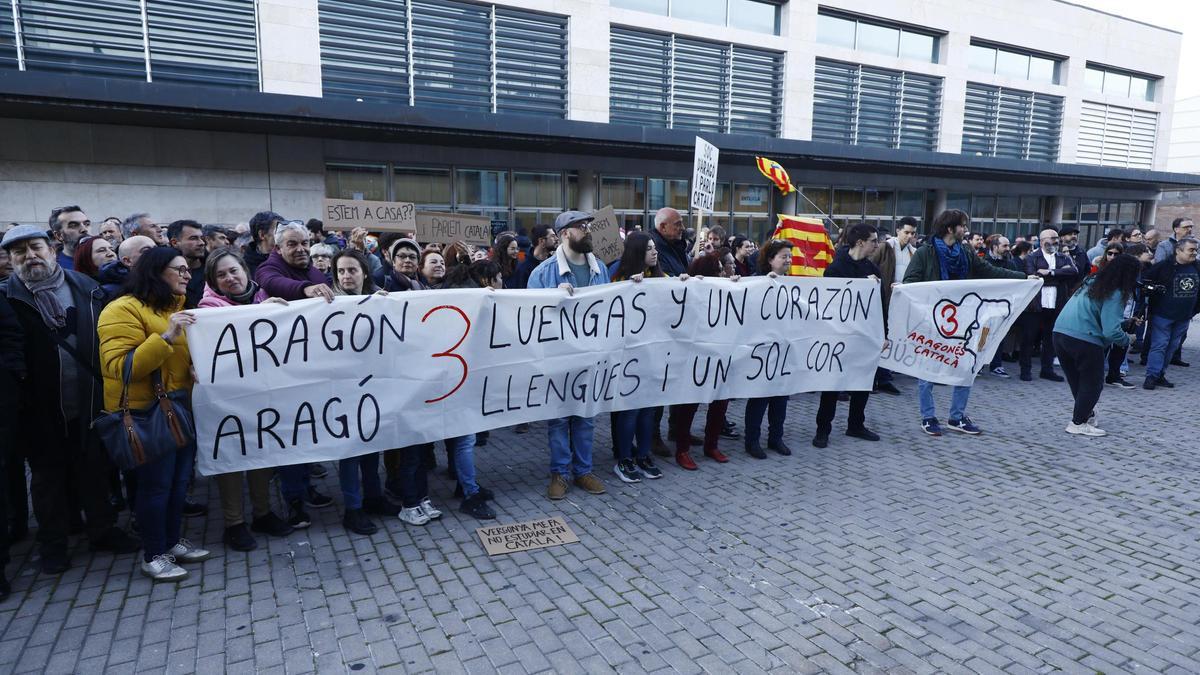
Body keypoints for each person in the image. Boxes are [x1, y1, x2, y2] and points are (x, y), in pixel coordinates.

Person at [1, 225, 140, 574]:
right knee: (48, 480)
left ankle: (102, 531)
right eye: (20, 252)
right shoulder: (6, 298)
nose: (30, 256)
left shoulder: (86, 287)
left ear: (51, 248)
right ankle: (54, 546)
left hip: (90, 398)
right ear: (11, 259)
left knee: (94, 469)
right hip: (38, 408)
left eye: (35, 248)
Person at [97, 246, 210, 581]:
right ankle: (153, 554)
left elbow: (177, 361)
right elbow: (121, 367)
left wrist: (191, 368)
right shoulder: (122, 310)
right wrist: (166, 336)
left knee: (177, 485)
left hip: (177, 409)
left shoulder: (175, 308)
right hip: (147, 414)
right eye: (180, 269)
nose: (188, 275)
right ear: (156, 272)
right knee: (156, 487)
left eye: (189, 270)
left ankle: (172, 542)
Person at [196, 248, 295, 550]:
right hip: (228, 398)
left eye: (233, 271)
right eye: (221, 275)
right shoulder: (208, 308)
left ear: (245, 270)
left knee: (262, 454)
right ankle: (234, 523)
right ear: (213, 281)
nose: (230, 278)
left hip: (263, 393)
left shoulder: (265, 298)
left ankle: (263, 513)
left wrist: (281, 312)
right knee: (232, 459)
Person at [902, 209, 1030, 436]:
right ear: (951, 228)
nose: (966, 230)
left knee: (966, 366)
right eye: (962, 226)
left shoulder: (966, 252)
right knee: (928, 369)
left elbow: (989, 271)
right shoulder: (925, 253)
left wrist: (1024, 279)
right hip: (932, 321)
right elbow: (910, 282)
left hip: (964, 320)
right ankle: (928, 416)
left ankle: (957, 416)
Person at [528, 210, 609, 500]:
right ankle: (560, 472)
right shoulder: (543, 273)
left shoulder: (600, 268)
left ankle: (583, 471)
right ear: (564, 234)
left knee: (585, 416)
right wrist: (552, 298)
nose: (588, 231)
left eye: (588, 226)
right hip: (558, 359)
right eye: (581, 227)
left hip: (589, 357)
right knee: (560, 418)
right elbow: (531, 316)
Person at [329, 249, 405, 534]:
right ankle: (353, 508)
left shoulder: (380, 300)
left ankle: (373, 497)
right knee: (350, 451)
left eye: (352, 270)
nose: (347, 276)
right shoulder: (326, 305)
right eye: (341, 272)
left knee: (372, 445)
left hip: (374, 385)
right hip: (344, 389)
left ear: (364, 272)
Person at [1052, 255, 1139, 436]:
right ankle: (1078, 423)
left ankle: (1086, 414)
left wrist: (1124, 324)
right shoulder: (1116, 292)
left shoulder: (1092, 281)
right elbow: (1110, 331)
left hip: (1060, 333)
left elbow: (1096, 316)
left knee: (1077, 380)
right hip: (1085, 339)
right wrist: (1127, 339)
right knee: (1093, 383)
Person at [814, 224, 883, 448]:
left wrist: (884, 334)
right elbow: (828, 304)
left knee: (862, 382)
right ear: (860, 242)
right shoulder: (836, 268)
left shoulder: (873, 269)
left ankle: (856, 424)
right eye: (873, 240)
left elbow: (880, 306)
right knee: (832, 385)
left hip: (865, 336)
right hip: (839, 336)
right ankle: (823, 429)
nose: (876, 244)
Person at [609, 233, 667, 479]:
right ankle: (624, 460)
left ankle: (643, 455)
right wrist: (627, 287)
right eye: (649, 249)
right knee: (630, 411)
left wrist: (687, 281)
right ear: (636, 253)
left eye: (655, 248)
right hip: (628, 357)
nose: (655, 253)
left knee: (648, 411)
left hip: (652, 356)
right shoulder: (620, 278)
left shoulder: (661, 278)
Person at [744, 238, 796, 459]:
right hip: (761, 351)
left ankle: (776, 438)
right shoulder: (756, 282)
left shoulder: (793, 284)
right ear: (770, 259)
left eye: (790, 256)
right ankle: (752, 441)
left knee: (780, 398)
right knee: (759, 398)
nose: (788, 260)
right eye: (784, 256)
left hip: (783, 350)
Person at [1018, 228, 1077, 382]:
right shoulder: (1032, 257)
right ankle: (1025, 370)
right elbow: (1034, 276)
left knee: (1050, 338)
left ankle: (1047, 369)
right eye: (1053, 238)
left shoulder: (1063, 257)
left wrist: (1050, 272)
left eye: (1057, 238)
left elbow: (1073, 272)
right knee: (1029, 338)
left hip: (1056, 303)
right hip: (1036, 304)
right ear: (1043, 240)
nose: (1056, 241)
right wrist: (1059, 274)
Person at [1140, 237, 1200, 390]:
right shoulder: (1164, 266)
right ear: (1178, 251)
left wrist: (1193, 311)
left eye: (1196, 249)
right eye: (1191, 250)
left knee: (1172, 347)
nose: (1195, 253)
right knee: (1159, 345)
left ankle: (1160, 374)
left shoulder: (1197, 267)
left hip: (1184, 316)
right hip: (1162, 315)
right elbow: (1146, 282)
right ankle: (1151, 376)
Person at [254, 220, 336, 303]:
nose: (300, 249)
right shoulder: (267, 269)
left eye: (304, 243)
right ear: (278, 249)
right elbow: (272, 282)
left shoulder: (316, 273)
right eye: (292, 244)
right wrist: (305, 289)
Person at [97, 235, 156, 301]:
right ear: (127, 261)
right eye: (146, 251)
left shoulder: (165, 278)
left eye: (156, 248)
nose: (156, 253)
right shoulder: (110, 292)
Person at [167, 220, 208, 309]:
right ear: (174, 242)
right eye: (193, 238)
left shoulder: (214, 270)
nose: (201, 243)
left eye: (202, 238)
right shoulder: (164, 273)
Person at [514, 225, 557, 289]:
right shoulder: (523, 266)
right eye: (553, 236)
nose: (557, 239)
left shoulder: (555, 263)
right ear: (542, 241)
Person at [49, 206, 92, 270]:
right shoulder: (53, 268)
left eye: (87, 224)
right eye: (73, 225)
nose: (84, 229)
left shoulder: (107, 257)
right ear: (59, 235)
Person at [649, 207, 689, 277]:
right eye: (678, 224)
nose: (683, 228)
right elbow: (667, 283)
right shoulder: (655, 251)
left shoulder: (678, 245)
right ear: (663, 227)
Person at [243, 211, 284, 276]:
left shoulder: (289, 257)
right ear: (262, 235)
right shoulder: (244, 266)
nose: (284, 235)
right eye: (279, 231)